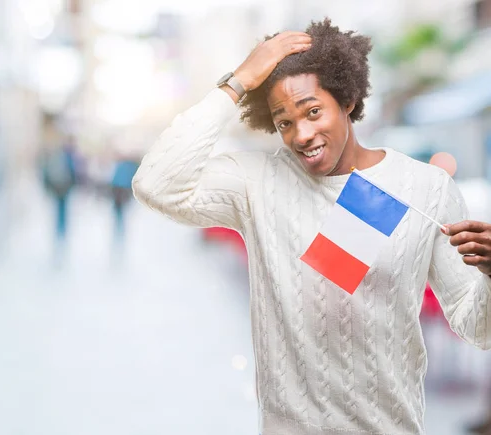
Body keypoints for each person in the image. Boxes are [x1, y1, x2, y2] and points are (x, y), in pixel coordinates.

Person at [132, 19, 491, 435]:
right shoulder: (257, 182)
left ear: (349, 100)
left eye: (313, 111)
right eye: (284, 122)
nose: (301, 133)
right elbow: (155, 184)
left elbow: (477, 328)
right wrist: (239, 81)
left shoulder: (425, 188)